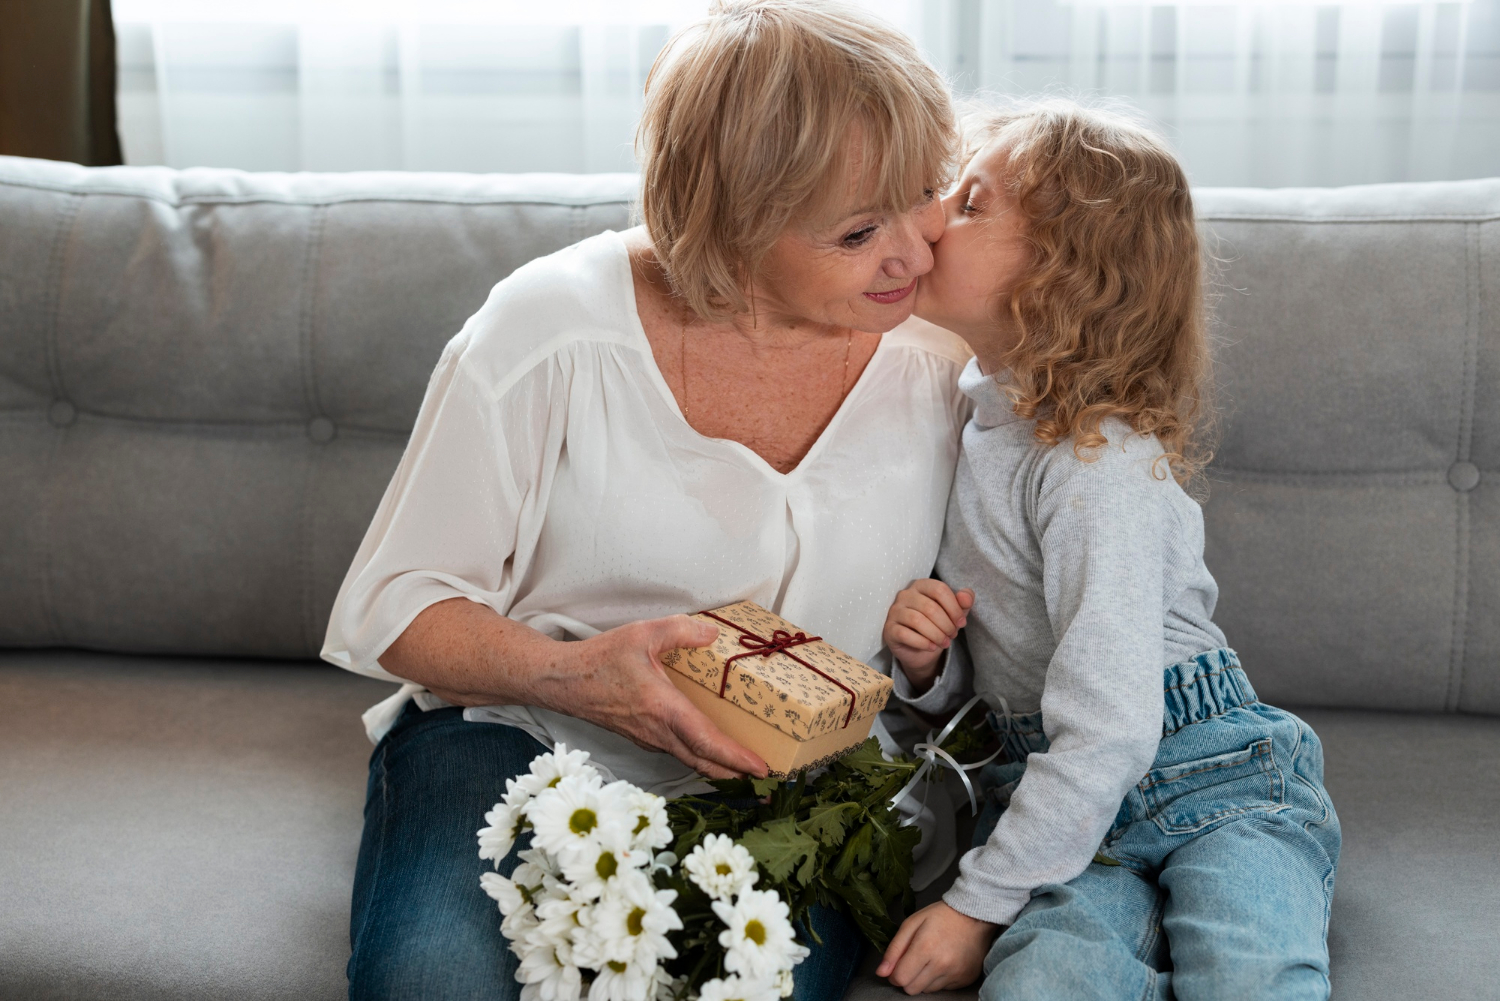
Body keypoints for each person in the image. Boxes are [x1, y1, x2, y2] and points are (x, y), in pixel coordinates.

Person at [320, 3, 969, 998]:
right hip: (523, 731)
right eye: (858, 231)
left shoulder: (949, 356)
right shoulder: (548, 332)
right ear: (734, 224)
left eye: (926, 194)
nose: (917, 256)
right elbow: (398, 603)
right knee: (433, 978)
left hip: (815, 781)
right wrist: (574, 675)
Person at [874, 100, 1342, 1000]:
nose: (931, 217)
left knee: (1250, 975)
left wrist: (976, 906)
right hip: (1060, 789)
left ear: (1060, 277)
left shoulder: (1097, 460)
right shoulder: (968, 422)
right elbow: (1014, 669)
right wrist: (927, 667)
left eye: (970, 204)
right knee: (1044, 982)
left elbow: (1113, 720)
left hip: (1214, 777)